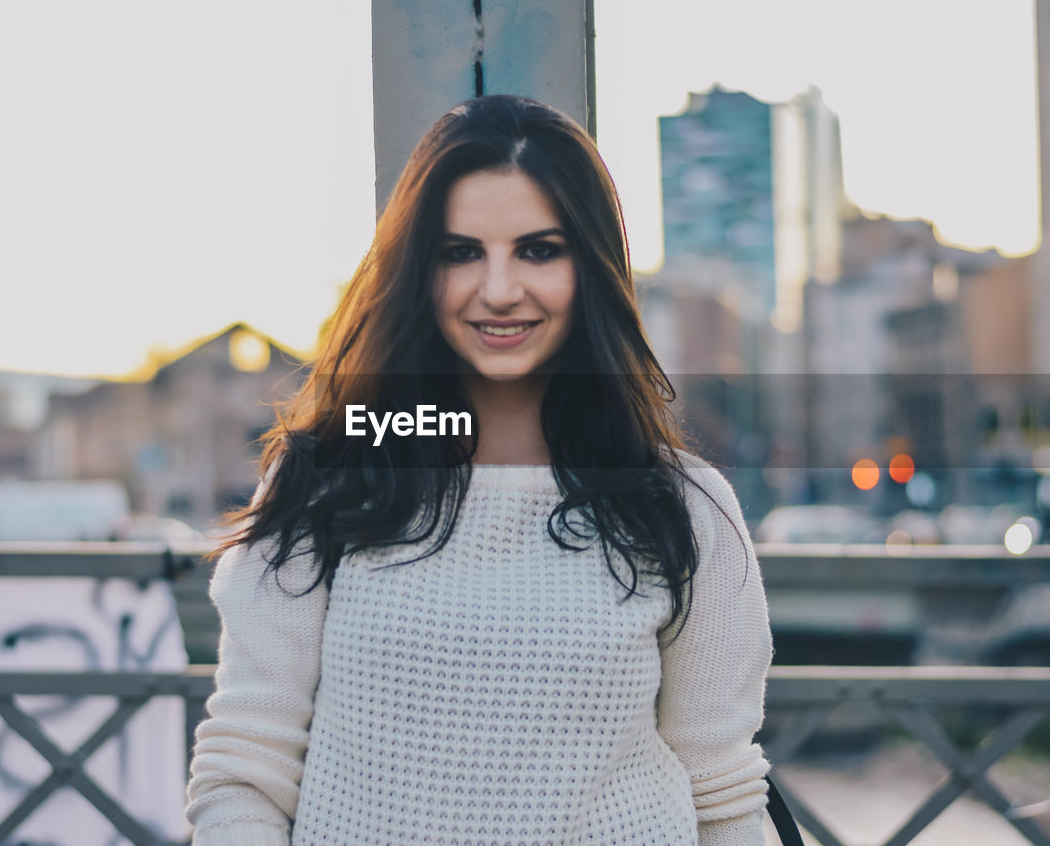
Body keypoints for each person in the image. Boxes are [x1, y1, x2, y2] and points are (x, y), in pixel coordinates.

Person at [184, 94, 774, 845]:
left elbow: (720, 794)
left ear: (590, 268)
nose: (499, 290)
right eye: (461, 252)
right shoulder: (326, 479)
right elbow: (245, 772)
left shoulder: (684, 507)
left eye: (538, 249)